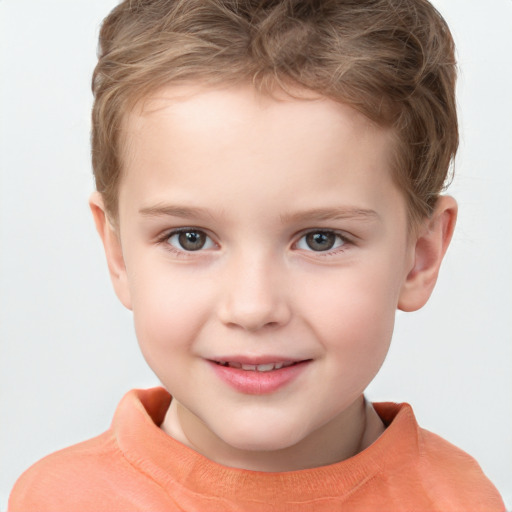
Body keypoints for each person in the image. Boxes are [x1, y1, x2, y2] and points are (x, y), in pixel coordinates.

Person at [8, 0, 506, 510]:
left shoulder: (461, 502)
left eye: (321, 239)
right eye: (190, 238)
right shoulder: (53, 500)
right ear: (117, 253)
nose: (252, 308)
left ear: (419, 257)